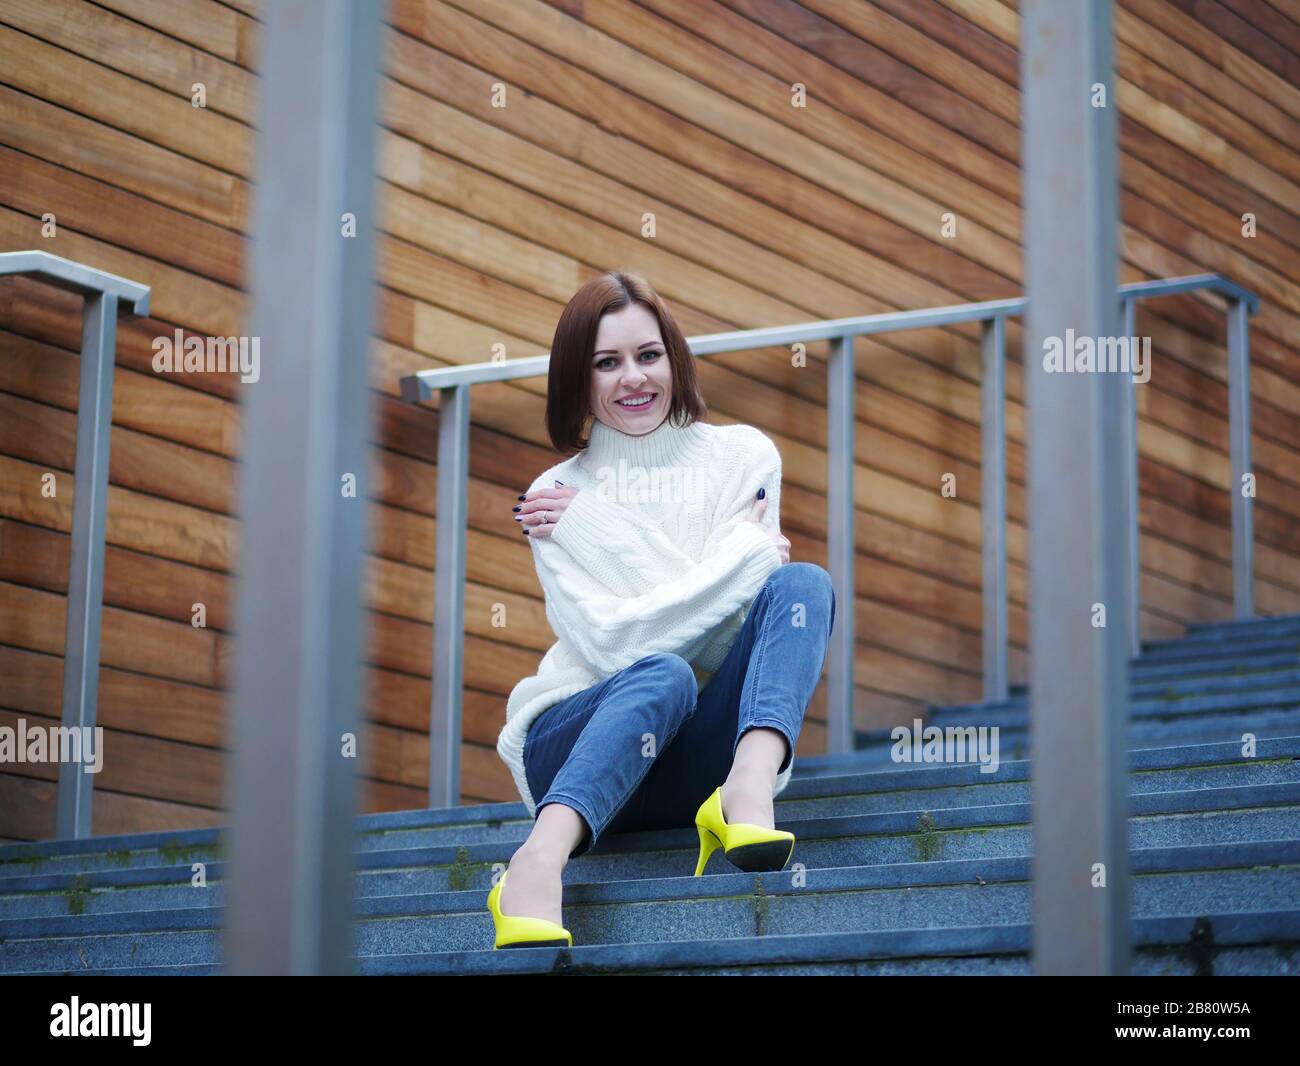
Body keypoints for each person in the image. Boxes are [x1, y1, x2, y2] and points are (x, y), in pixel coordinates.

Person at [487, 270, 836, 948]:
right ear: (578, 380)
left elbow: (728, 636)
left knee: (803, 587)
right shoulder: (555, 495)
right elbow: (618, 648)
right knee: (661, 675)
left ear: (672, 358)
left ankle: (749, 788)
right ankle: (534, 863)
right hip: (578, 749)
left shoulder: (743, 456)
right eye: (605, 363)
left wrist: (603, 533)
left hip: (693, 762)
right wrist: (745, 554)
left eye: (647, 355)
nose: (632, 378)